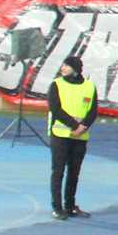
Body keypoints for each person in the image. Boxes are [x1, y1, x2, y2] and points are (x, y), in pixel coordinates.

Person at [45, 56, 98, 220]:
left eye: (66, 66)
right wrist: (75, 126)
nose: (62, 68)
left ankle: (70, 206)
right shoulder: (56, 84)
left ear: (75, 69)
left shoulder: (90, 86)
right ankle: (57, 207)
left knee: (74, 172)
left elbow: (93, 111)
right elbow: (55, 109)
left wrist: (83, 127)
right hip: (60, 135)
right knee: (58, 171)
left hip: (80, 137)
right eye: (63, 65)